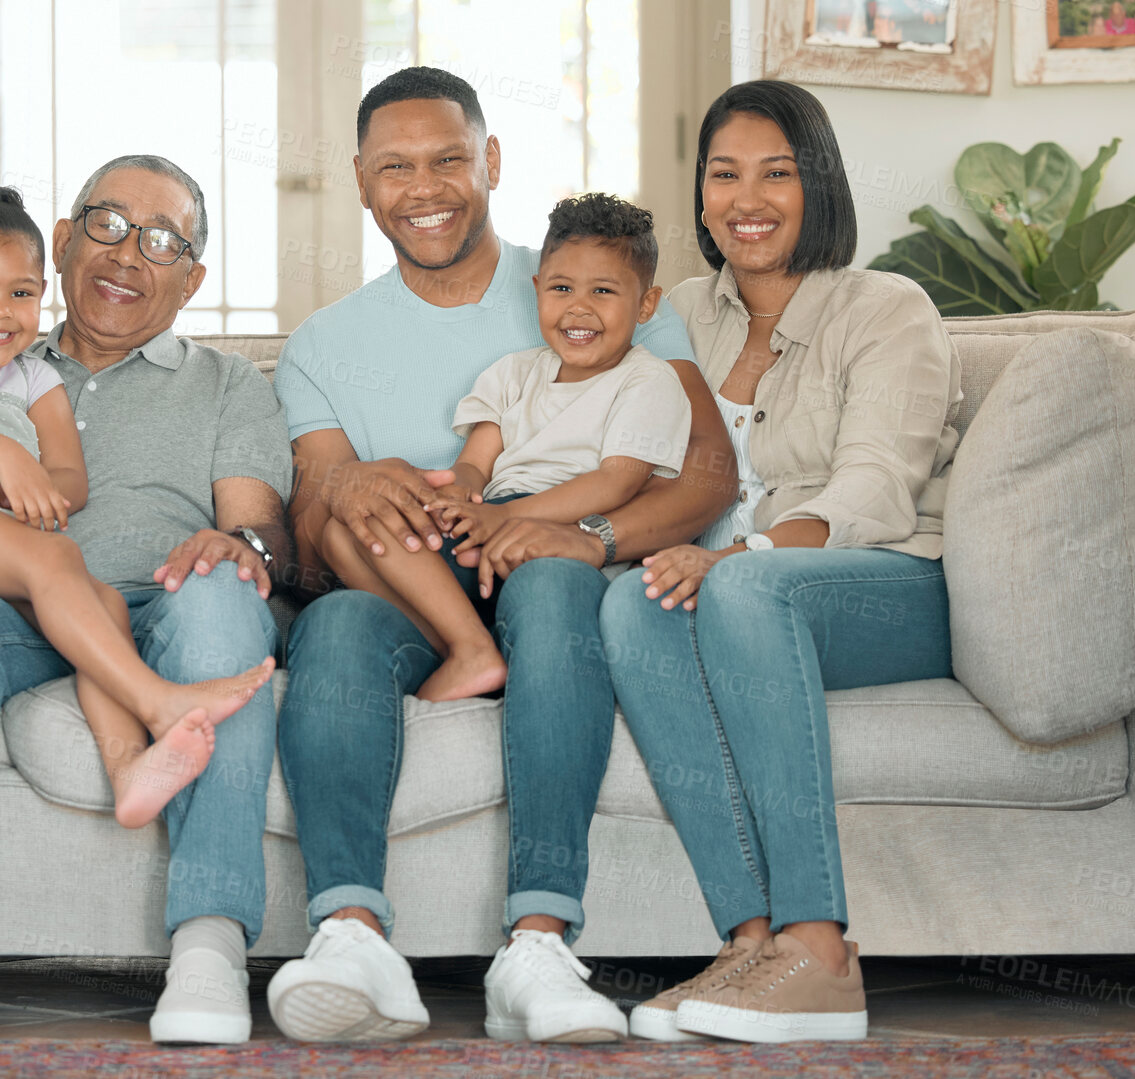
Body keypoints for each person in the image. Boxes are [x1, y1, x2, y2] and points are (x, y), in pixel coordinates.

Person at [267, 66, 736, 1045]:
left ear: (490, 161)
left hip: (554, 571)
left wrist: (584, 534)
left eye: (449, 159)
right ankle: (349, 934)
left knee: (561, 584)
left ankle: (537, 941)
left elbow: (702, 478)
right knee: (338, 622)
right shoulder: (323, 343)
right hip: (412, 582)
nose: (425, 186)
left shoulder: (592, 276)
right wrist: (348, 486)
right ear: (360, 180)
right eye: (395, 167)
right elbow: (312, 541)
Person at [0, 154, 293, 1048]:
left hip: (154, 597)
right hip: (0, 598)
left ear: (191, 279)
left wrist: (240, 545)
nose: (125, 254)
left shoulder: (228, 383)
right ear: (67, 237)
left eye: (161, 241)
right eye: (108, 223)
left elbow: (260, 527)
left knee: (225, 591)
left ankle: (208, 947)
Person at [603, 79, 961, 1044]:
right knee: (629, 606)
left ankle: (819, 946)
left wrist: (742, 557)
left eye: (776, 173)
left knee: (746, 587)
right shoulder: (677, 311)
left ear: (821, 185)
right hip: (729, 592)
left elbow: (877, 491)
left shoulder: (886, 307)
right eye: (723, 174)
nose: (745, 198)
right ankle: (752, 942)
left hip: (879, 585)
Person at [0, 181, 272, 828]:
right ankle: (158, 703)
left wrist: (38, 489)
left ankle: (129, 763)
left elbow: (69, 479)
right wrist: (8, 458)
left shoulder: (33, 376)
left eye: (21, 293)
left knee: (99, 600)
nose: (0, 311)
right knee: (54, 558)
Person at [319, 192, 691, 703]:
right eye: (561, 288)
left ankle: (472, 650)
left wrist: (512, 518)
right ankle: (466, 647)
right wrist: (455, 495)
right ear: (537, 289)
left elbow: (617, 480)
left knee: (380, 537)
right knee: (343, 532)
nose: (578, 308)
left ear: (647, 304)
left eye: (603, 291)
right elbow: (475, 461)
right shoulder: (516, 372)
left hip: (564, 536)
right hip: (495, 521)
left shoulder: (648, 380)